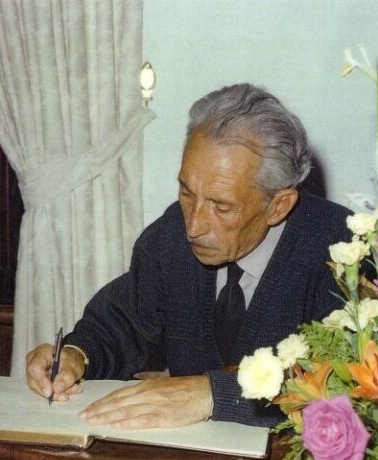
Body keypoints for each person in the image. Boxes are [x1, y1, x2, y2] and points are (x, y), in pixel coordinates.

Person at [26, 83, 351, 428]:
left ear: (278, 205)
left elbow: (341, 383)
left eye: (221, 206)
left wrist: (211, 394)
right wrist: (77, 355)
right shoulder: (170, 236)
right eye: (186, 191)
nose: (193, 225)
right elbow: (125, 322)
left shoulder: (344, 254)